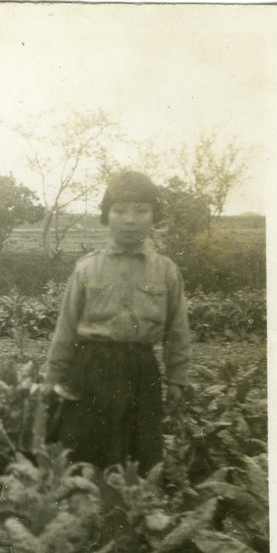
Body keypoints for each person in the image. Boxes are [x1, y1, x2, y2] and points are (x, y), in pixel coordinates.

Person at [44, 170, 192, 473]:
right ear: (106, 216)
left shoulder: (165, 271)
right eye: (120, 210)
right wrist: (52, 379)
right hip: (90, 370)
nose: (130, 219)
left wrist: (177, 377)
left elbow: (177, 330)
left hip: (141, 372)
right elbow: (66, 328)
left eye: (141, 210)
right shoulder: (86, 269)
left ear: (154, 217)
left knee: (139, 459)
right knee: (84, 455)